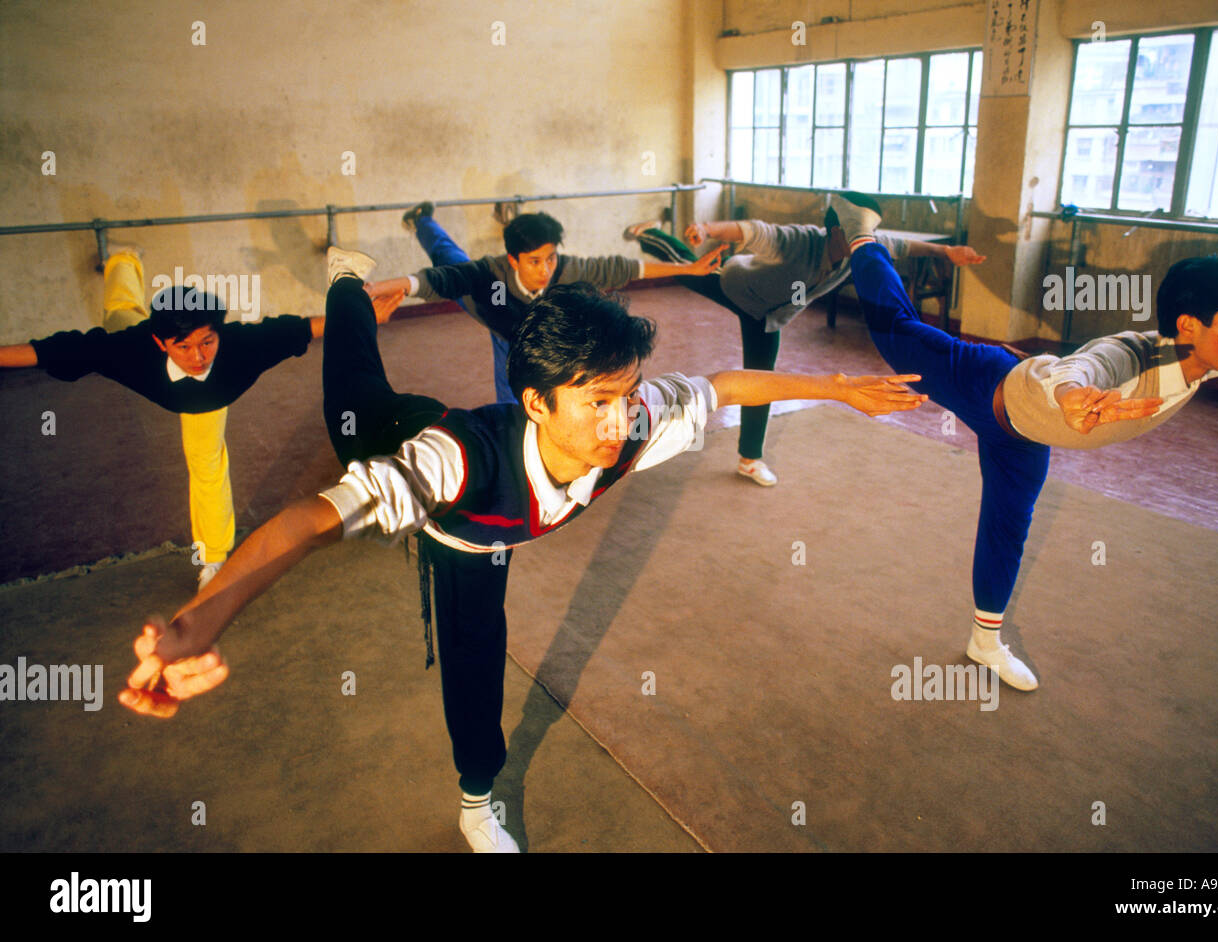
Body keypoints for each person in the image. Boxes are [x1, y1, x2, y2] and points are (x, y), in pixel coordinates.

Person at [116, 246, 929, 853]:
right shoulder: (459, 463)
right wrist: (204, 614)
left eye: (627, 394)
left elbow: (724, 384)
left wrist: (837, 389)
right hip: (414, 452)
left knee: (483, 636)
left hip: (479, 477)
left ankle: (477, 796)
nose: (619, 423)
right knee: (357, 382)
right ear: (535, 402)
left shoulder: (637, 419)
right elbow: (309, 523)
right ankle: (346, 283)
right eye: (597, 402)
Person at [827, 190, 1218, 692]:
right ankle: (861, 230)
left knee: (1008, 527)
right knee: (896, 331)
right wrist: (1073, 395)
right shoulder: (1134, 351)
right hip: (984, 383)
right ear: (1189, 325)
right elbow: (1084, 366)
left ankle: (984, 643)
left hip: (1024, 434)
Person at [0, 246, 367, 588]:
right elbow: (52, 350)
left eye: (207, 342)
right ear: (161, 344)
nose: (198, 357)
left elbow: (301, 328)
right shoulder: (132, 350)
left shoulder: (240, 347)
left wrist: (364, 315)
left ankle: (213, 559)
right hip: (141, 351)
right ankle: (124, 260)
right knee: (120, 312)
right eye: (184, 347)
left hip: (205, 402)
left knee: (207, 465)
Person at [626, 213, 985, 487]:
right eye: (853, 236)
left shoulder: (861, 249)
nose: (862, 243)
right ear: (833, 233)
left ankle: (749, 458)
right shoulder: (799, 240)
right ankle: (650, 234)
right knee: (691, 269)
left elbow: (903, 245)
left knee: (761, 381)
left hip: (767, 316)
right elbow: (751, 229)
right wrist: (708, 227)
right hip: (736, 286)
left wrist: (947, 251)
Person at [364, 204, 725, 404]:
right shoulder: (490, 273)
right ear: (514, 258)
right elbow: (435, 281)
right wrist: (381, 287)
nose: (545, 269)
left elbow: (624, 267)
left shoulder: (566, 270)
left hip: (534, 326)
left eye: (550, 258)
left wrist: (688, 267)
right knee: (449, 258)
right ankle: (422, 220)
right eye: (534, 261)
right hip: (491, 311)